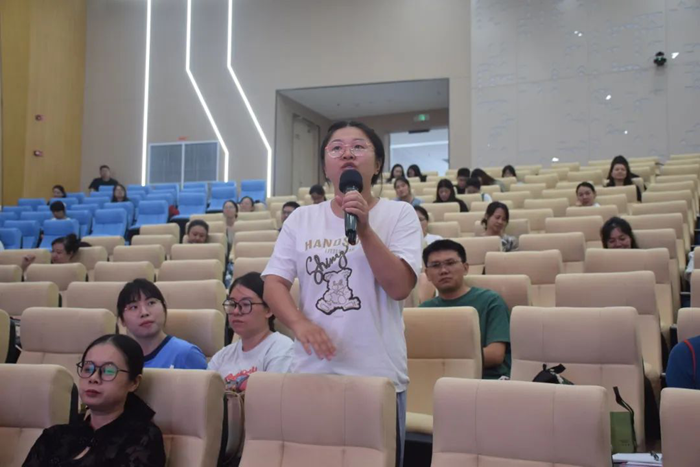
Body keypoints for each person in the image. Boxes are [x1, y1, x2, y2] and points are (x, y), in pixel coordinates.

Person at [262, 120, 422, 467]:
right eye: (336, 148)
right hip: (312, 372)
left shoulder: (399, 214)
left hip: (377, 374)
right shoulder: (301, 219)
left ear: (377, 164)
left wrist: (365, 230)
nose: (347, 153)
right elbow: (273, 283)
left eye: (358, 146)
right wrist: (299, 324)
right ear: (325, 166)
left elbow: (399, 288)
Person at [22, 334, 166, 467]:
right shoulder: (55, 436)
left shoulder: (143, 439)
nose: (93, 378)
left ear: (134, 383)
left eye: (108, 370)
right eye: (87, 368)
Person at [420, 239, 511, 379]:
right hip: (437, 380)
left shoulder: (490, 301)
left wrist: (446, 361)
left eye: (450, 263)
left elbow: (495, 354)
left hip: (486, 381)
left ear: (465, 268)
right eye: (436, 265)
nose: (443, 270)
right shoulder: (423, 311)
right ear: (427, 274)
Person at [208, 272, 293, 392]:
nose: (236, 311)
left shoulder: (282, 349)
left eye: (246, 304)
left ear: (269, 310)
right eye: (232, 304)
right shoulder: (222, 356)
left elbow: (272, 398)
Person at [117, 279, 207, 370]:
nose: (144, 313)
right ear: (122, 320)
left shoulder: (187, 354)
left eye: (151, 303)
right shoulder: (117, 358)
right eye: (133, 307)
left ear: (164, 308)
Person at [21, 234, 87, 271]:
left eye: (59, 252)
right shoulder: (46, 269)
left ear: (70, 253)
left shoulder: (77, 270)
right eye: (52, 251)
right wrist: (25, 266)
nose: (54, 255)